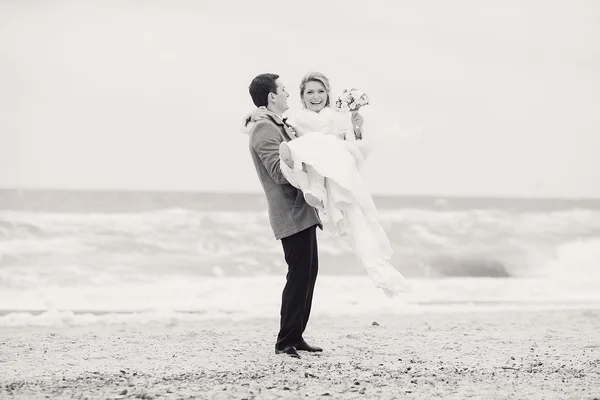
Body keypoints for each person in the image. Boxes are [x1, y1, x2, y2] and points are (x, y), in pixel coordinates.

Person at [246, 72, 410, 297]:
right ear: (302, 97)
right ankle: (290, 334)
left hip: (332, 179)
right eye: (310, 92)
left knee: (357, 224)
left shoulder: (337, 119)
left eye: (321, 91)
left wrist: (356, 129)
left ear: (328, 94)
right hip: (306, 191)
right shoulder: (291, 123)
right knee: (302, 273)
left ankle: (381, 273)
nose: (316, 96)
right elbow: (270, 139)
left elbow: (353, 151)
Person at [246, 73, 324, 359]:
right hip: (290, 212)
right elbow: (279, 172)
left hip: (302, 211)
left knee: (308, 274)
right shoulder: (264, 129)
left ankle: (296, 336)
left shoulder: (277, 124)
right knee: (298, 276)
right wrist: (306, 168)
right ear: (271, 97)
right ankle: (285, 341)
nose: (288, 95)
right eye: (284, 91)